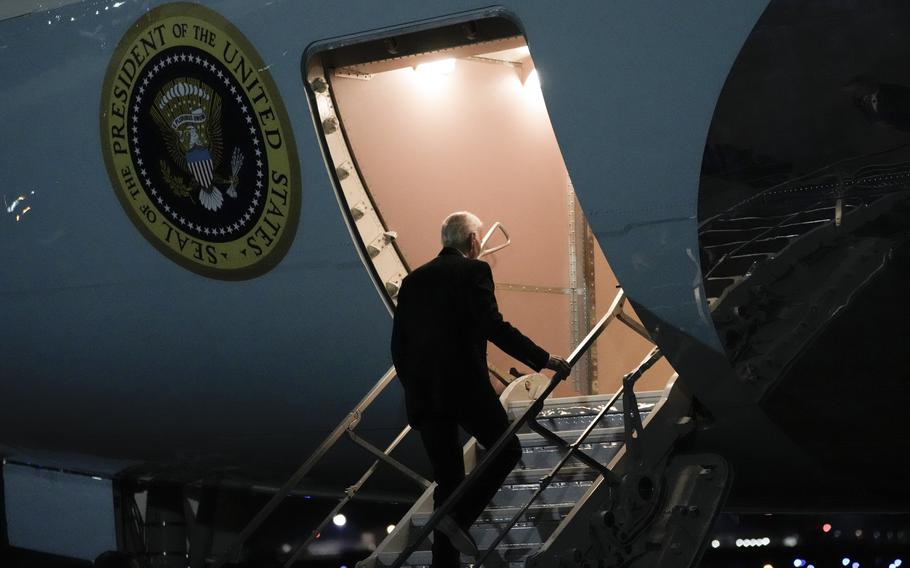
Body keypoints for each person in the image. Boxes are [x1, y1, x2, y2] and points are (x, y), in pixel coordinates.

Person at [391, 211, 571, 567]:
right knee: (506, 450)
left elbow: (399, 346)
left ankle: (446, 556)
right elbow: (494, 326)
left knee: (448, 482)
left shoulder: (413, 281)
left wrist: (416, 385)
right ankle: (458, 518)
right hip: (464, 388)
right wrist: (544, 358)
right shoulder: (474, 271)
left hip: (425, 396)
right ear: (474, 242)